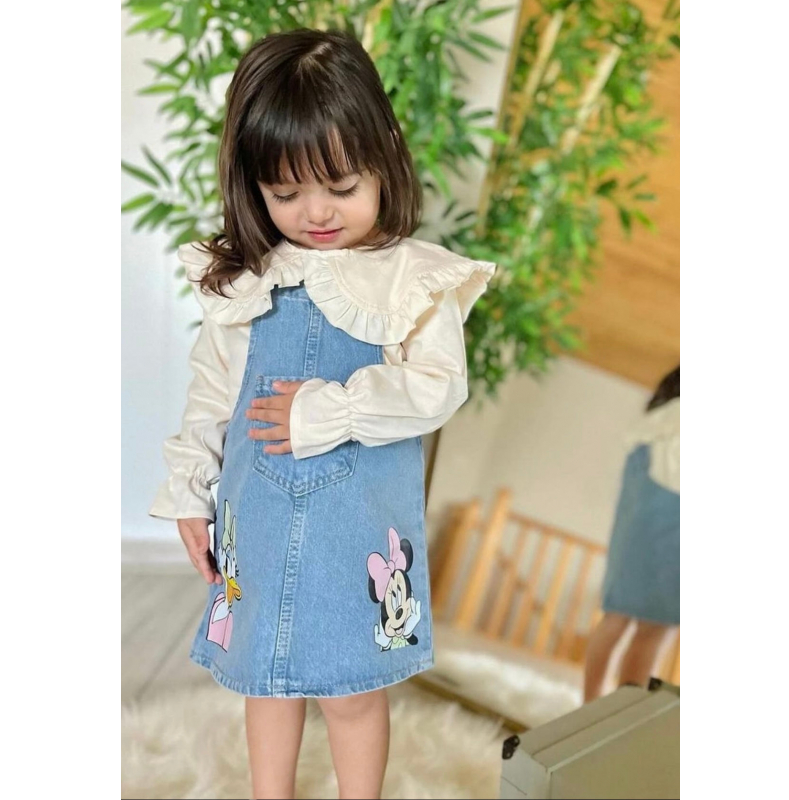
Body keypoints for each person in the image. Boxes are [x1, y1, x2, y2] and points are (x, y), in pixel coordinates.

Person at [149, 28, 496, 800]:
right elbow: (212, 392)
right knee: (266, 676)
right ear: (252, 185)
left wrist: (334, 410)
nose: (316, 212)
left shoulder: (412, 280)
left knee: (349, 689)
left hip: (356, 526)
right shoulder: (245, 278)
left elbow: (438, 388)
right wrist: (188, 491)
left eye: (340, 186)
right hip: (260, 516)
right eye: (285, 194)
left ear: (384, 159)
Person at [583, 367, 680, 703]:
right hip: (671, 540)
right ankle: (621, 709)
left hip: (632, 538)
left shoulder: (652, 423)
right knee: (655, 629)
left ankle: (591, 704)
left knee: (616, 618)